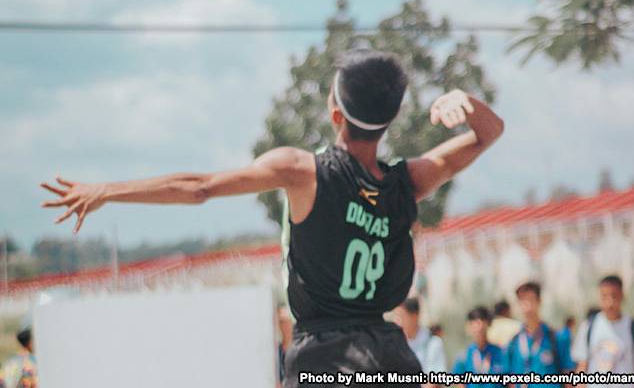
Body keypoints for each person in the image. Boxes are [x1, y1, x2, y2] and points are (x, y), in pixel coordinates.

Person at [41, 50, 505, 387]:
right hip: (389, 353)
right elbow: (489, 133)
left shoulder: (304, 171)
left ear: (335, 113)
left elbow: (199, 187)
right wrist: (464, 100)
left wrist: (109, 191)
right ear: (389, 120)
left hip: (324, 357)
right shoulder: (410, 180)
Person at [572, 275, 634, 387]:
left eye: (614, 296)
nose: (610, 302)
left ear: (622, 296)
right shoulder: (589, 326)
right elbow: (582, 366)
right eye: (605, 296)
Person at [505, 282, 574, 387]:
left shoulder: (557, 338)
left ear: (539, 301)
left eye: (531, 300)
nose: (527, 307)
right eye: (523, 301)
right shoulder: (514, 342)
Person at [452, 307, 504, 388]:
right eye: (474, 324)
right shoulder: (464, 357)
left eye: (481, 323)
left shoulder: (500, 353)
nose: (478, 328)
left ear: (488, 324)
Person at [393, 297, 447, 372]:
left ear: (415, 316)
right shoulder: (396, 345)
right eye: (396, 317)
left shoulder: (433, 343)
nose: (398, 323)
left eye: (402, 317)